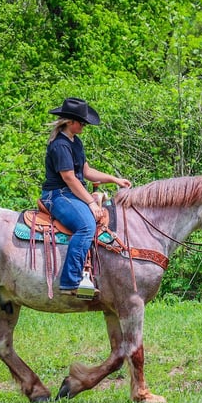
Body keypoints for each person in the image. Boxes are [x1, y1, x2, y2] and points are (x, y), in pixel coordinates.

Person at [40, 97, 131, 296]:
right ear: (70, 122)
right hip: (58, 195)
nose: (84, 125)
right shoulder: (60, 145)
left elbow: (86, 171)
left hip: (72, 193)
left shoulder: (75, 142)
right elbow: (69, 178)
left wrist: (114, 179)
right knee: (86, 226)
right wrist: (90, 202)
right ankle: (71, 281)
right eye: (81, 122)